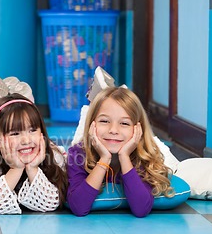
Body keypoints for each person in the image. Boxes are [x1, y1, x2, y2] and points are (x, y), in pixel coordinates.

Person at [67, 86, 177, 217]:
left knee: (168, 159)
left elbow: (141, 209)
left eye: (124, 123)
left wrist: (124, 156)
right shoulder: (77, 154)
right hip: (93, 143)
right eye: (104, 121)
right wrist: (104, 159)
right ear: (92, 124)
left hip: (141, 144)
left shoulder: (143, 156)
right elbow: (79, 207)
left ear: (137, 128)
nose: (113, 129)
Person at [0, 77, 68, 215]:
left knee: (18, 114)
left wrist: (32, 168)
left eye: (32, 130)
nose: (26, 140)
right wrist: (16, 168)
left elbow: (50, 203)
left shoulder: (53, 155)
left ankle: (17, 103)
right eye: (15, 133)